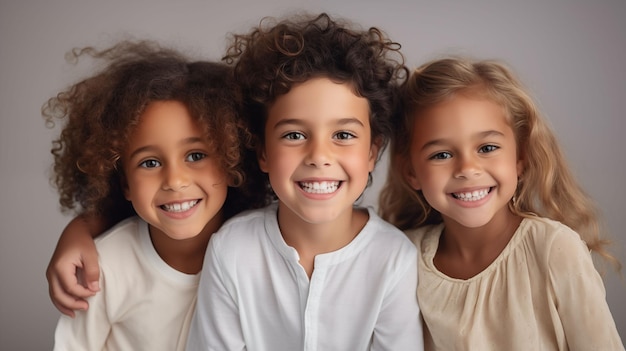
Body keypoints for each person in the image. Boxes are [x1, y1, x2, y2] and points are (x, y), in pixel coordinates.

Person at [185, 13, 423, 350]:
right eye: (294, 134)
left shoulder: (393, 258)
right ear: (263, 151)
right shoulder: (232, 249)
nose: (318, 155)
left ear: (372, 151)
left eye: (343, 134)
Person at [379, 57, 624, 350]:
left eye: (487, 148)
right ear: (411, 172)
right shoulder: (403, 257)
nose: (468, 169)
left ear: (520, 157)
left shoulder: (553, 250)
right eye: (441, 154)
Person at [45, 40, 264, 350]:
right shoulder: (105, 268)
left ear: (231, 162)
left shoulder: (257, 252)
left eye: (196, 155)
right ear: (124, 184)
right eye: (150, 163)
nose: (175, 180)